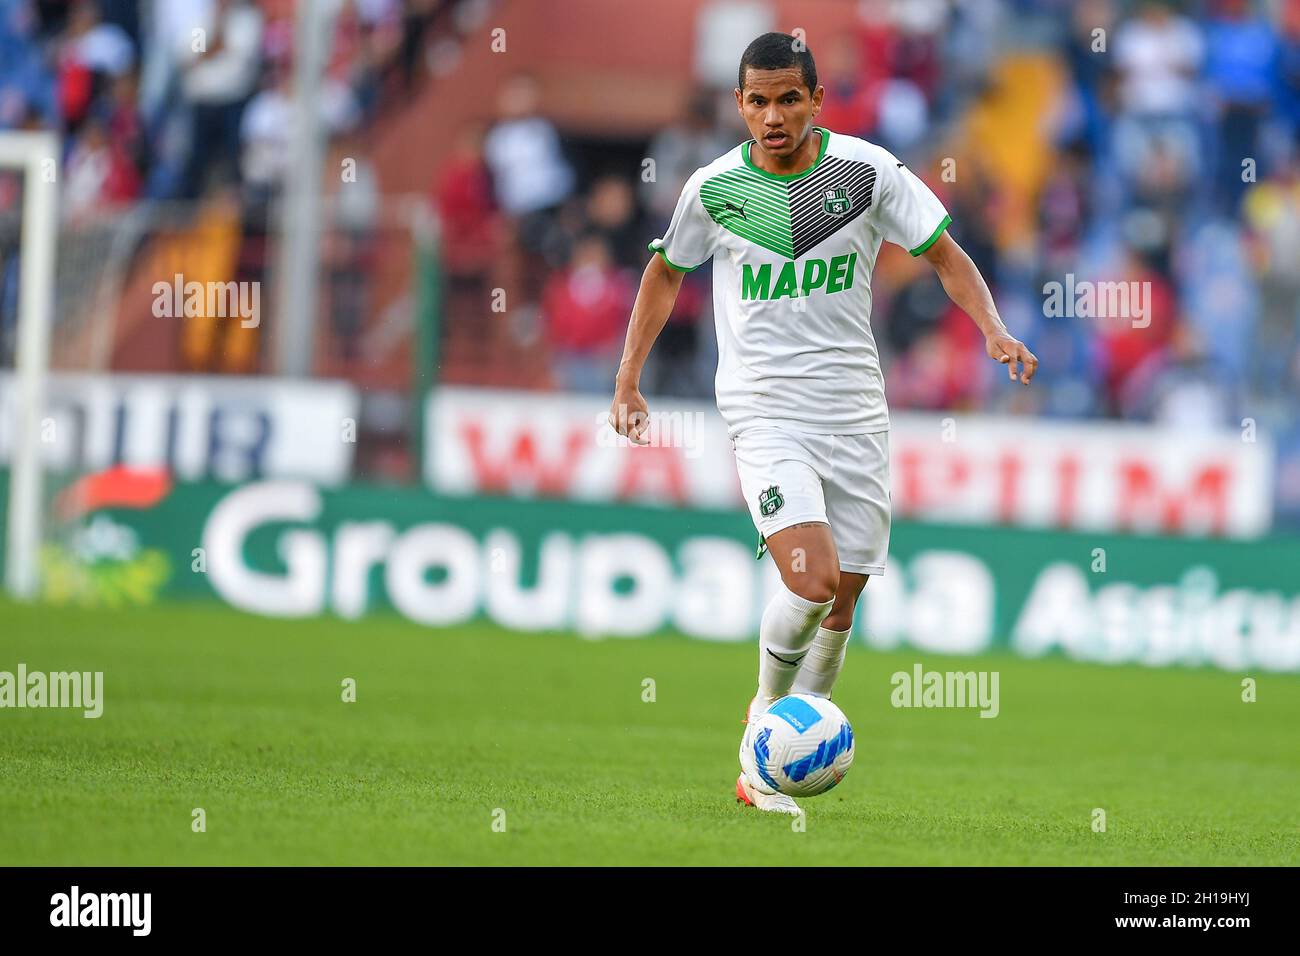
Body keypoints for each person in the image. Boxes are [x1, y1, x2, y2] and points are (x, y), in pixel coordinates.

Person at [607, 32, 1037, 816]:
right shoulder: (712, 189)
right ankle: (762, 732)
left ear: (816, 102)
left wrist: (993, 329)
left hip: (855, 413)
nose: (773, 116)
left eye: (788, 99)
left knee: (841, 602)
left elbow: (945, 255)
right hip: (764, 407)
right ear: (740, 105)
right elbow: (665, 272)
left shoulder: (867, 174)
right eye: (758, 101)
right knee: (807, 581)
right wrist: (629, 377)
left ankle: (767, 772)